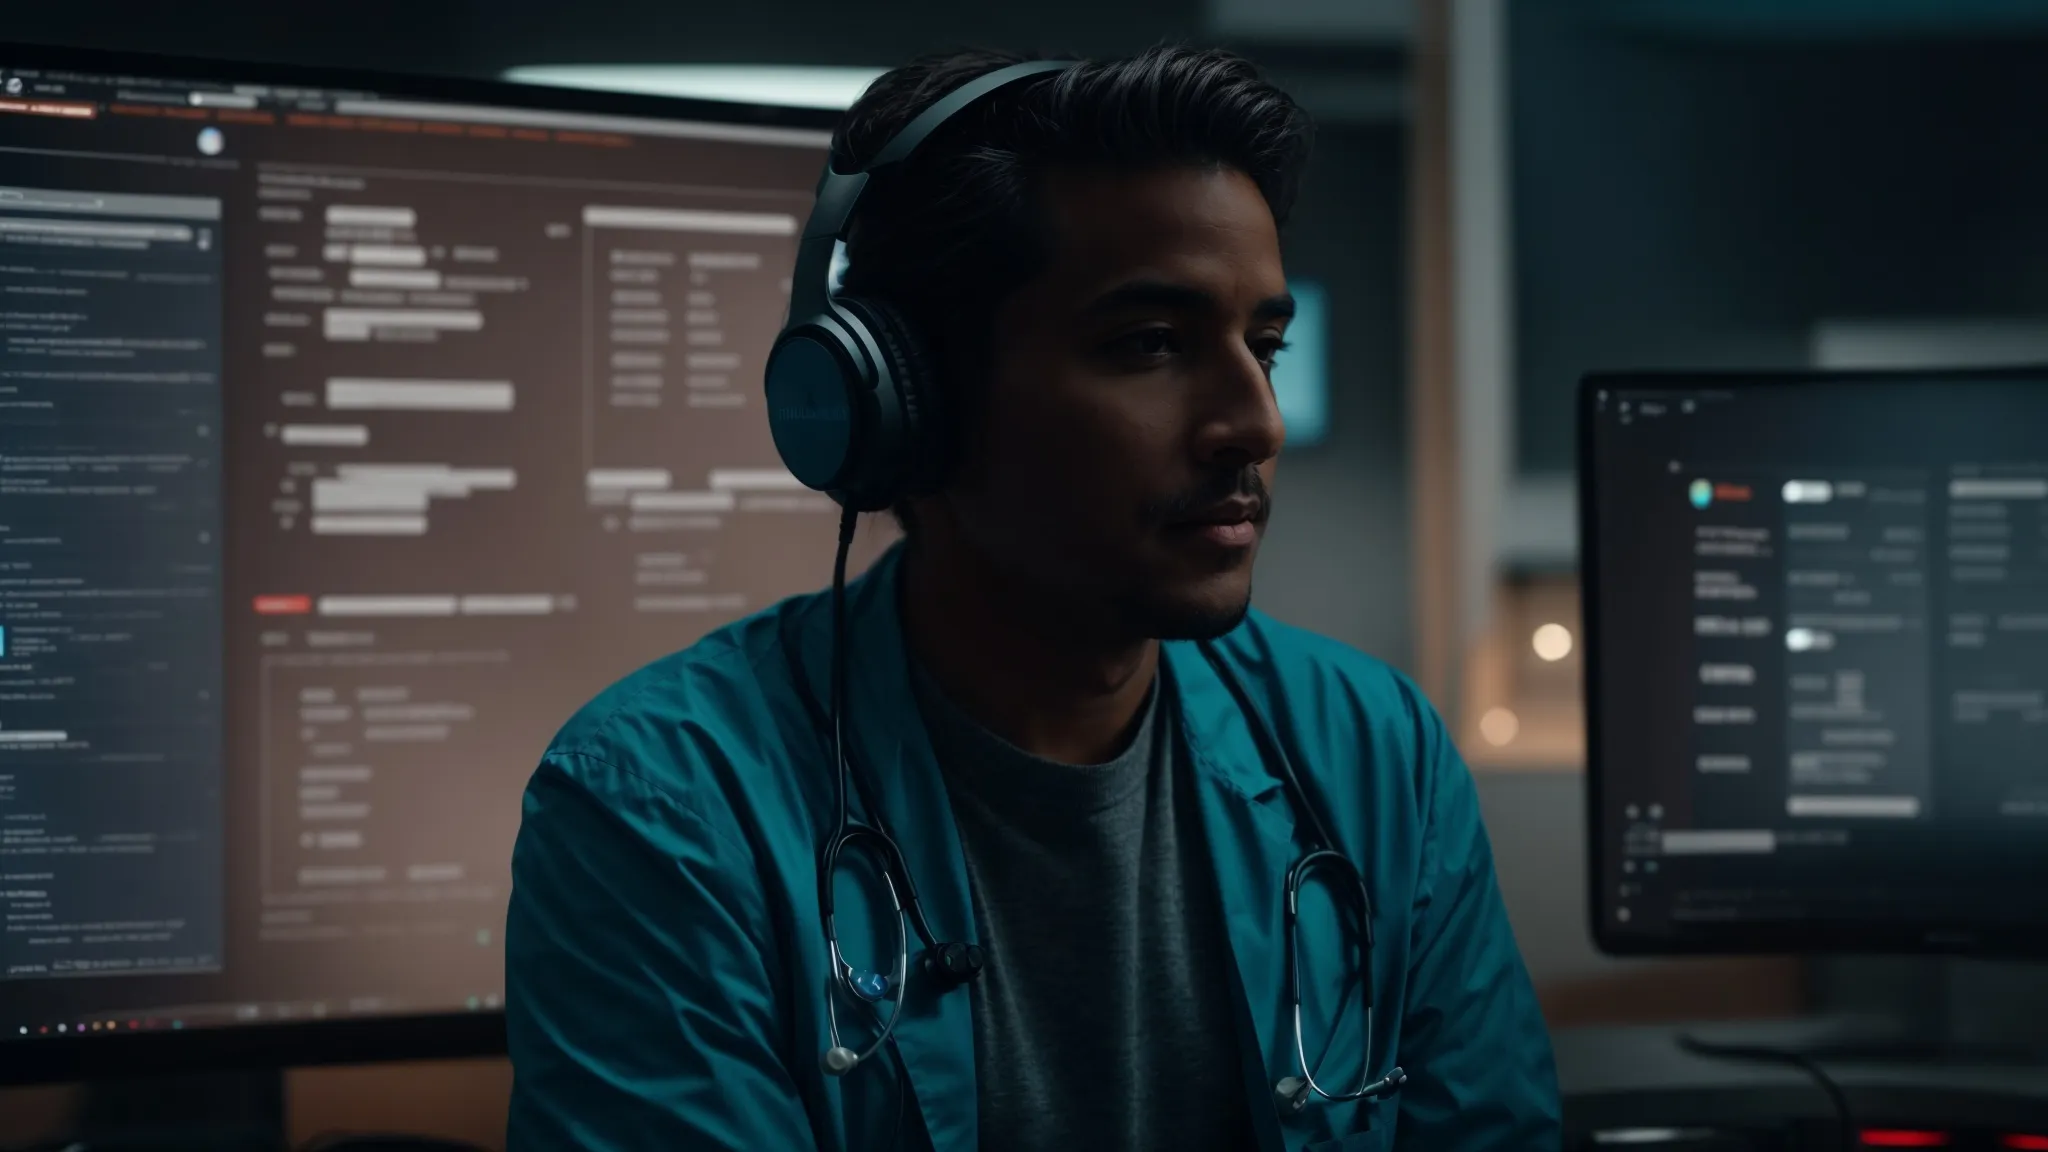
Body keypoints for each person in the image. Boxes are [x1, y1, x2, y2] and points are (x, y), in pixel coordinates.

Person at [504, 42, 1561, 1152]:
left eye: (1263, 347)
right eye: (1148, 344)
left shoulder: (1371, 753)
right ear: (909, 398)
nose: (1253, 424)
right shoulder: (660, 812)